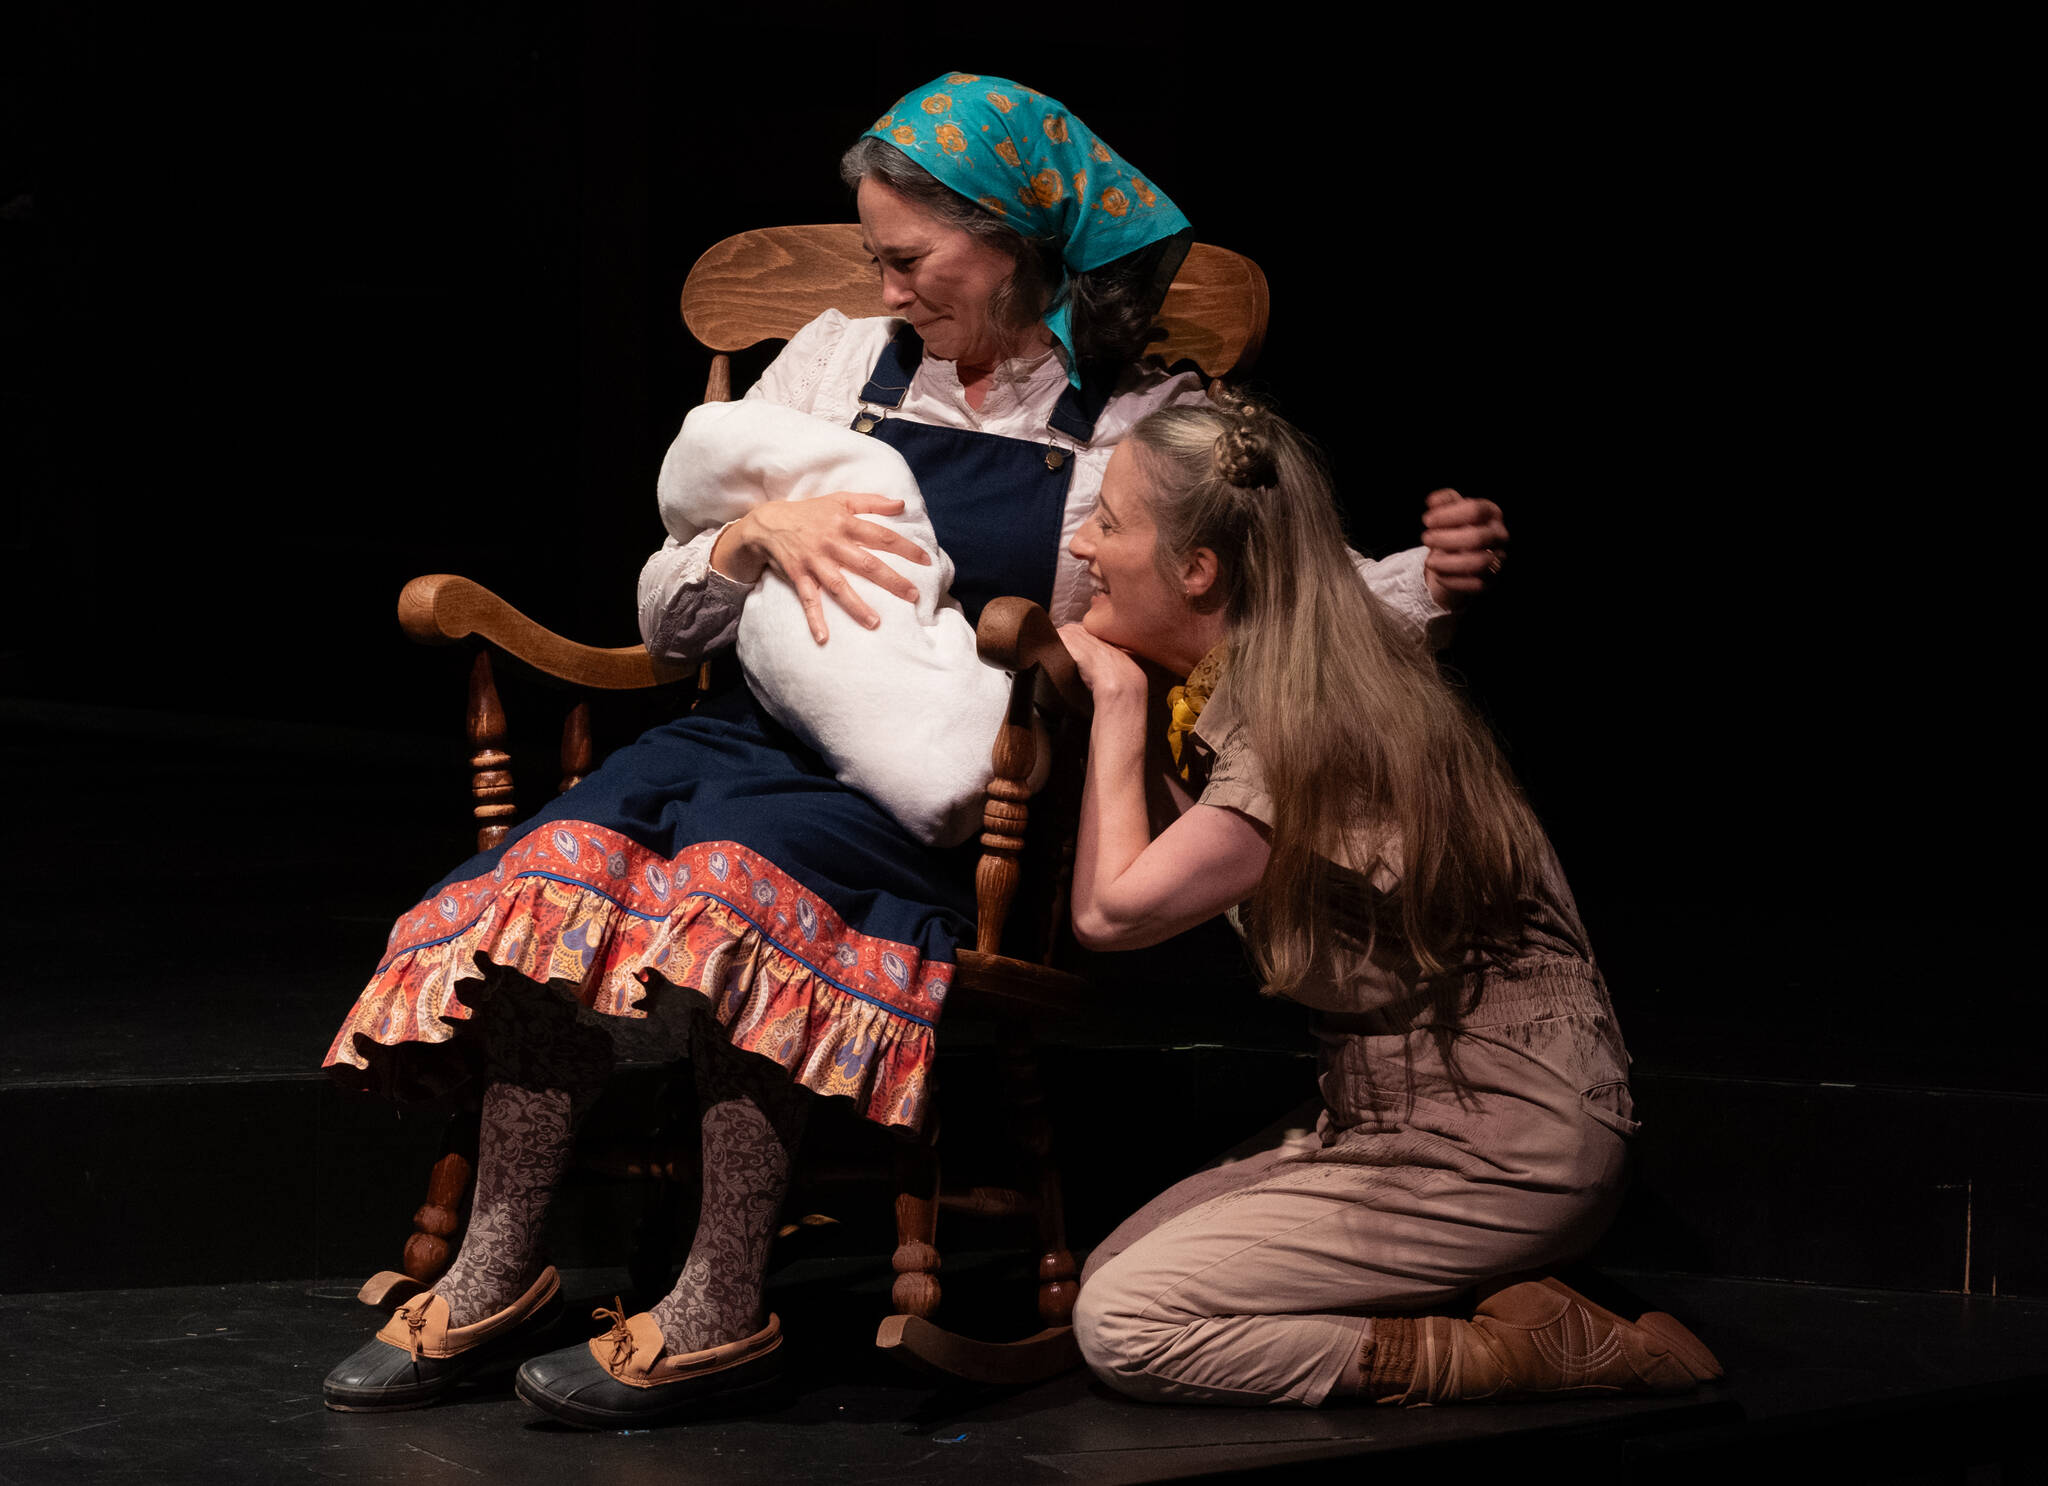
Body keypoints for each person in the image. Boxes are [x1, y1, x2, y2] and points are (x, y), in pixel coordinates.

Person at [318, 73, 1510, 1428]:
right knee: (553, 866)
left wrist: (1426, 577)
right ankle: (495, 1268)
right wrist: (742, 541)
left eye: (909, 256)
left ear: (1012, 240)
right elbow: (664, 609)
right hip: (738, 732)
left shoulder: (1129, 421)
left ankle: (720, 1302)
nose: (885, 287)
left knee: (733, 887)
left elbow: (1277, 587)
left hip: (934, 795)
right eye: (876, 256)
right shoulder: (831, 363)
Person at [1055, 395, 1722, 1408]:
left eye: (1108, 521)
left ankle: (1516, 1355)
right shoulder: (1285, 676)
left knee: (1127, 1321)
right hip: (1386, 1111)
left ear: (1197, 570)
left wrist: (1113, 696)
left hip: (1500, 1138)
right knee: (1114, 1269)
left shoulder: (1302, 721)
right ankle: (1505, 1292)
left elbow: (1112, 913)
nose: (1081, 543)